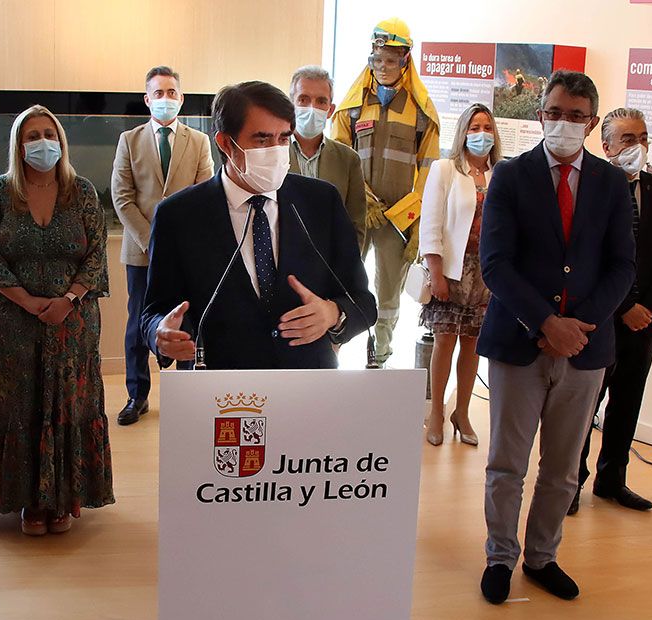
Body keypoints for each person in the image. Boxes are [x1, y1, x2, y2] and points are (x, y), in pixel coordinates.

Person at [476, 71, 635, 605]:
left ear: (591, 122)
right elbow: (495, 265)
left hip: (585, 350)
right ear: (540, 114)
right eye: (554, 112)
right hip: (519, 342)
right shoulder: (510, 176)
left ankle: (542, 557)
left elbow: (621, 266)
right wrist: (546, 324)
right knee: (507, 463)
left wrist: (577, 328)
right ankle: (500, 555)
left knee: (564, 468)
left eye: (575, 115)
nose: (562, 123)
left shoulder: (612, 185)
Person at [143, 81, 377, 370]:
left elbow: (364, 303)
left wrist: (332, 313)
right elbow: (154, 312)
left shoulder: (321, 202)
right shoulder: (177, 215)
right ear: (226, 143)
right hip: (221, 390)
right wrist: (161, 334)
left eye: (283, 138)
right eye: (262, 140)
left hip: (307, 383)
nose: (276, 150)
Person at [0, 104, 114, 536]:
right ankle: (28, 502)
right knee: (18, 404)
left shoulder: (82, 191)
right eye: (32, 135)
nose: (42, 142)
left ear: (61, 142)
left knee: (69, 404)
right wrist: (29, 302)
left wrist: (68, 299)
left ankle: (64, 497)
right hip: (12, 322)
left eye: (49, 133)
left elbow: (96, 255)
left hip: (74, 322)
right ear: (18, 144)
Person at [570, 107, 652, 516]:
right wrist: (626, 306)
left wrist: (648, 307)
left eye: (643, 137)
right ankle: (571, 481)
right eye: (629, 139)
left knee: (628, 402)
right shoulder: (593, 187)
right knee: (585, 404)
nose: (639, 146)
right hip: (603, 319)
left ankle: (612, 479)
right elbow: (595, 258)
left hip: (645, 323)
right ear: (607, 145)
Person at [329, 17, 439, 366]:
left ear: (406, 59)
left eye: (391, 59)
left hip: (398, 218)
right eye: (378, 58)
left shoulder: (421, 111)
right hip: (357, 212)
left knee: (389, 290)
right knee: (344, 278)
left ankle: (380, 354)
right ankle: (334, 345)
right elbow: (339, 157)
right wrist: (361, 197)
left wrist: (414, 222)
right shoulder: (353, 105)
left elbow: (429, 170)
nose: (383, 66)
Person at [111, 66, 214, 426]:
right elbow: (121, 198)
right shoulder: (129, 140)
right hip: (141, 253)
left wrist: (177, 245)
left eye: (172, 93)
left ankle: (186, 393)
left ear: (181, 98)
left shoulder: (199, 142)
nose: (166, 99)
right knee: (139, 322)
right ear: (147, 99)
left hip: (187, 254)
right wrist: (153, 242)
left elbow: (206, 196)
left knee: (188, 320)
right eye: (158, 93)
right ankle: (136, 396)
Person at [418, 103, 501, 447]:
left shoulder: (502, 174)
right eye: (474, 126)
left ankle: (461, 411)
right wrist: (436, 272)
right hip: (452, 270)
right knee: (445, 342)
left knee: (473, 345)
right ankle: (436, 411)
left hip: (486, 273)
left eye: (486, 127)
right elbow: (431, 223)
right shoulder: (446, 169)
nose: (481, 133)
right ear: (464, 131)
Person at [287, 66, 366, 249]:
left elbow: (356, 225)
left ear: (330, 110)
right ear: (291, 104)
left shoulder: (348, 160)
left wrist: (346, 270)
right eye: (303, 99)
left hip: (329, 267)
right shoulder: (274, 153)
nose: (312, 108)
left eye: (321, 101)